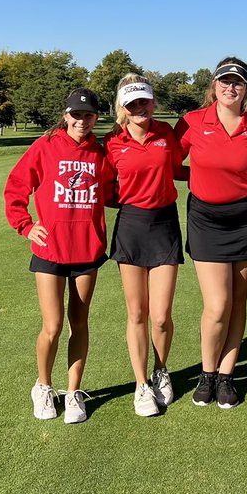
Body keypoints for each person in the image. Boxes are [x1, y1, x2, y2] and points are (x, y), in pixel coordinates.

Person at [3, 87, 115, 425]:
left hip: (86, 249)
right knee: (52, 325)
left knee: (79, 323)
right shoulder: (46, 145)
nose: (82, 121)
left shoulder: (100, 151)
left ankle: (74, 391)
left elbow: (113, 190)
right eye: (76, 115)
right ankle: (44, 385)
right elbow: (16, 186)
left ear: (97, 117)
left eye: (89, 115)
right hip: (50, 249)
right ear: (65, 115)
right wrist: (25, 225)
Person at [174, 57, 247, 409]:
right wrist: (200, 178)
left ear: (246, 88)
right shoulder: (191, 122)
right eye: (225, 81)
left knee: (239, 301)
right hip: (206, 219)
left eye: (238, 83)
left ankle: (227, 375)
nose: (231, 88)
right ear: (214, 85)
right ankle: (208, 372)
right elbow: (172, 164)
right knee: (218, 305)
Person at [103, 73, 186, 416]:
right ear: (123, 107)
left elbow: (178, 169)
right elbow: (106, 188)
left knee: (162, 316)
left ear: (154, 103)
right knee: (137, 312)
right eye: (132, 103)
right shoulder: (111, 142)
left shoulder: (166, 133)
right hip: (132, 226)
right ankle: (141, 385)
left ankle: (160, 369)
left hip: (165, 224)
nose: (140, 108)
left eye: (145, 101)